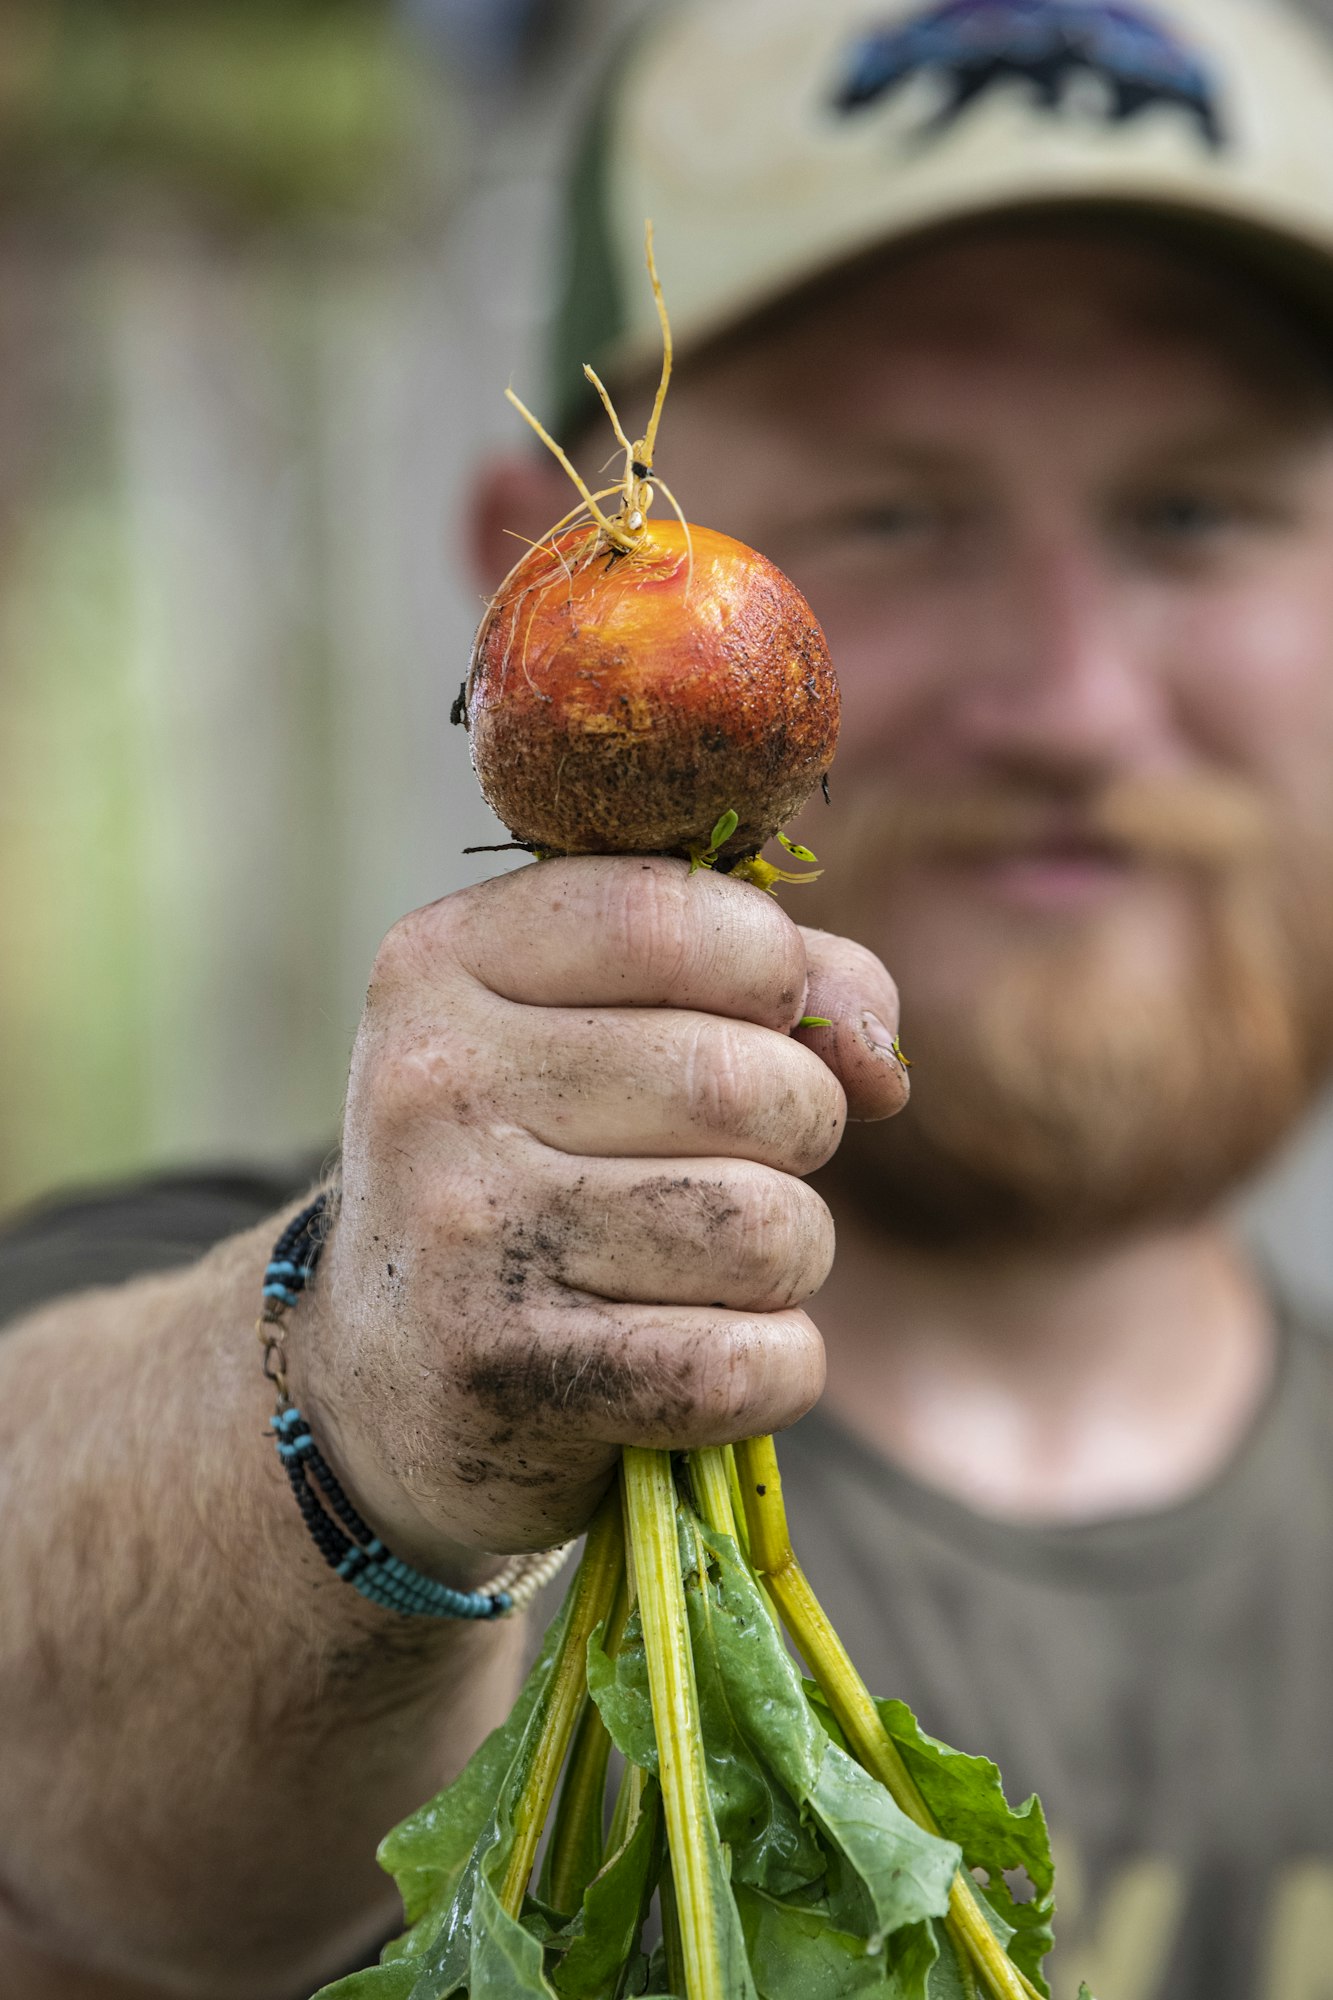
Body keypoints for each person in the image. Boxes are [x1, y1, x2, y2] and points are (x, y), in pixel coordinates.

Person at [6, 0, 1333, 1993]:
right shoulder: (241, 1335)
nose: (1071, 698)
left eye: (1190, 515)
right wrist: (363, 1398)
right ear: (522, 586)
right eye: (898, 513)